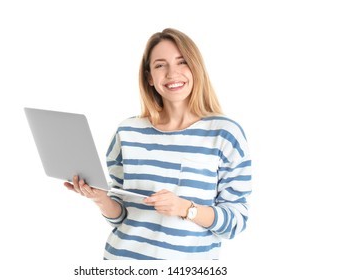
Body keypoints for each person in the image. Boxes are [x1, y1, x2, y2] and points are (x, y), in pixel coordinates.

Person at [64, 28, 252, 260]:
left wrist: (186, 208)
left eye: (182, 62)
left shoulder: (225, 134)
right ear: (150, 78)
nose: (172, 73)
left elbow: (236, 221)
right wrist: (100, 198)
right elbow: (121, 216)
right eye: (160, 65)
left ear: (196, 69)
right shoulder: (128, 131)